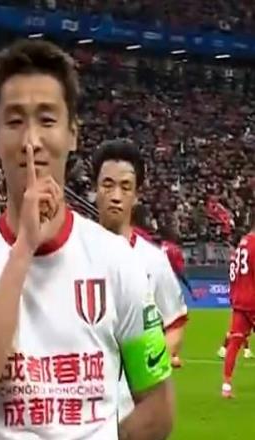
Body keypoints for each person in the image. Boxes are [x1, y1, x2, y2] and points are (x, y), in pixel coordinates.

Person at [0, 40, 174, 439]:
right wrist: (24, 247)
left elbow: (158, 409)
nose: (31, 141)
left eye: (47, 120)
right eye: (15, 122)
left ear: (72, 133)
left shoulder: (117, 261)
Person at [92, 139, 187, 416]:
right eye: (107, 184)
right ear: (95, 190)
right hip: (79, 414)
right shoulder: (72, 253)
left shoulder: (154, 261)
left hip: (131, 413)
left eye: (125, 187)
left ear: (136, 195)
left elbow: (175, 324)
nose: (116, 195)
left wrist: (147, 372)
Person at [222, 212, 255, 398]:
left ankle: (226, 386)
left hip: (239, 300)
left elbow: (234, 273)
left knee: (234, 343)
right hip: (252, 300)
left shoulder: (241, 245)